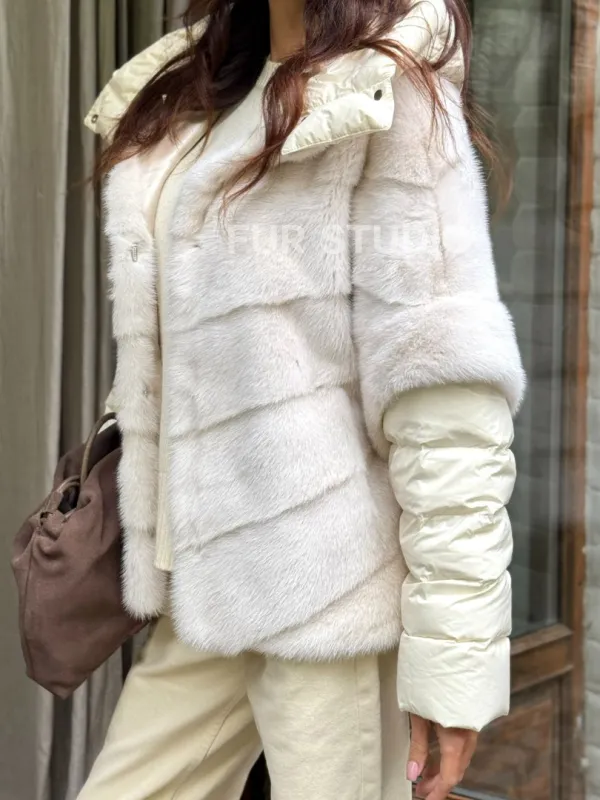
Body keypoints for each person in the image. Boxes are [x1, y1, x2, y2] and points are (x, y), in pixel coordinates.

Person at [78, 0, 525, 798]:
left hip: (328, 600)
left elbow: (443, 395)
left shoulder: (390, 90)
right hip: (205, 588)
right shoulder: (199, 86)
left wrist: (454, 660)